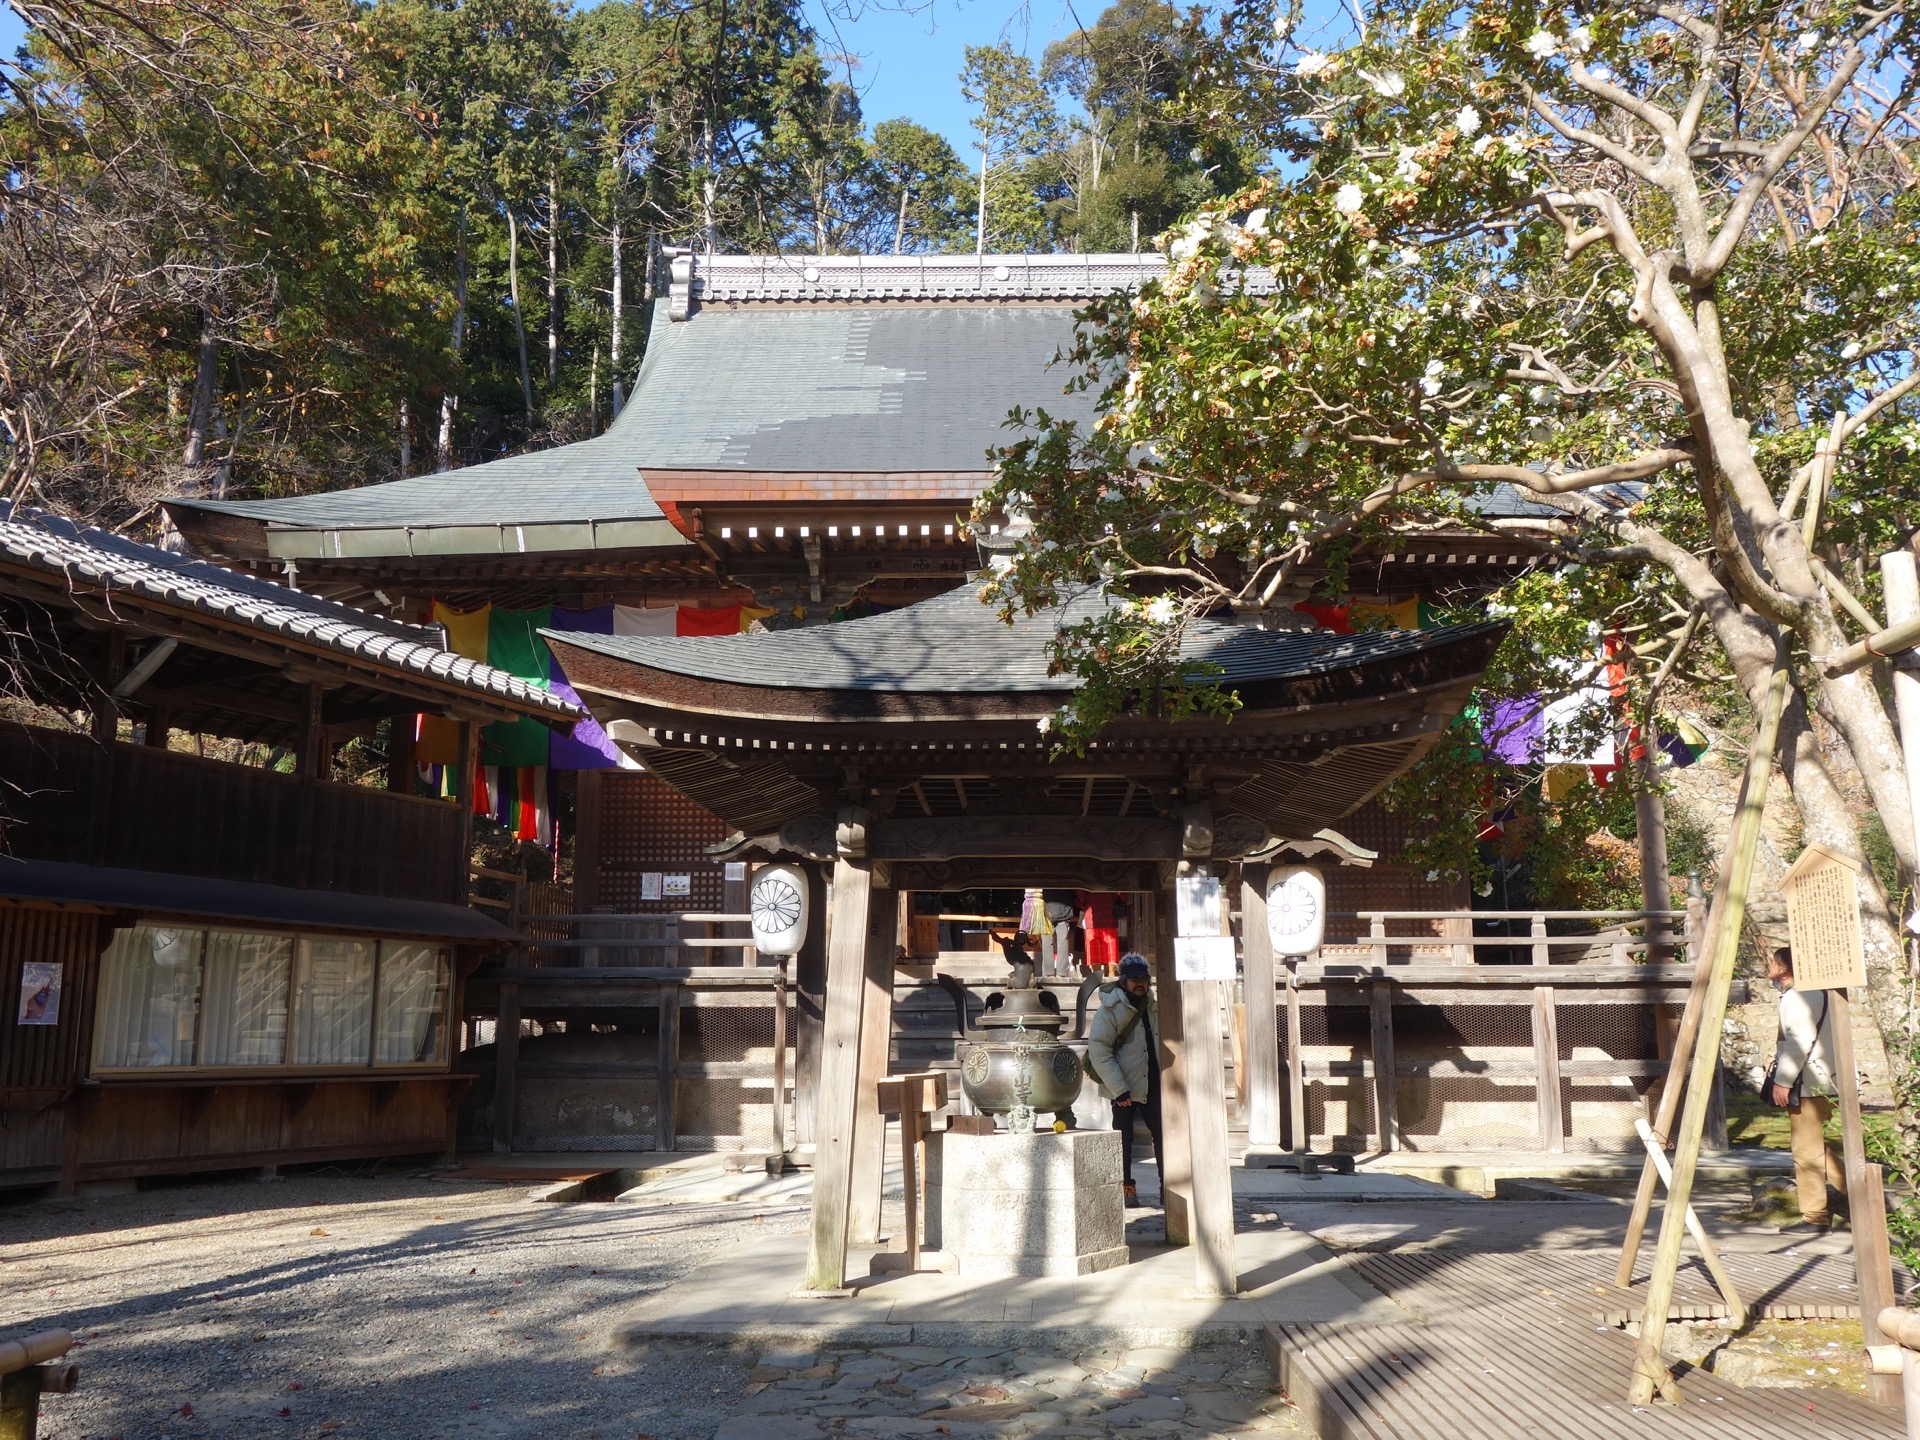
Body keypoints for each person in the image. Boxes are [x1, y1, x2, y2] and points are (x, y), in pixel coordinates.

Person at [1767, 946, 1847, 1232]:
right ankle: (1858, 1195)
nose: (1770, 966)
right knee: (1816, 1149)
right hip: (1824, 1080)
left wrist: (1783, 1081)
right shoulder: (1821, 992)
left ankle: (1815, 1216)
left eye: (1773, 962)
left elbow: (1798, 1040)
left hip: (1808, 1084)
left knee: (1805, 1152)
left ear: (1785, 968)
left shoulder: (1797, 996)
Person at [1087, 953, 1163, 1206]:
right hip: (1122, 1087)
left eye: (1144, 979)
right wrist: (1119, 1089)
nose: (1140, 984)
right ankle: (1126, 1191)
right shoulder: (1109, 1009)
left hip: (1154, 1082)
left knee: (1164, 1137)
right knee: (1123, 1141)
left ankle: (1169, 1187)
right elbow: (1100, 1050)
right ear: (1123, 980)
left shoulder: (1154, 1005)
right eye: (1134, 979)